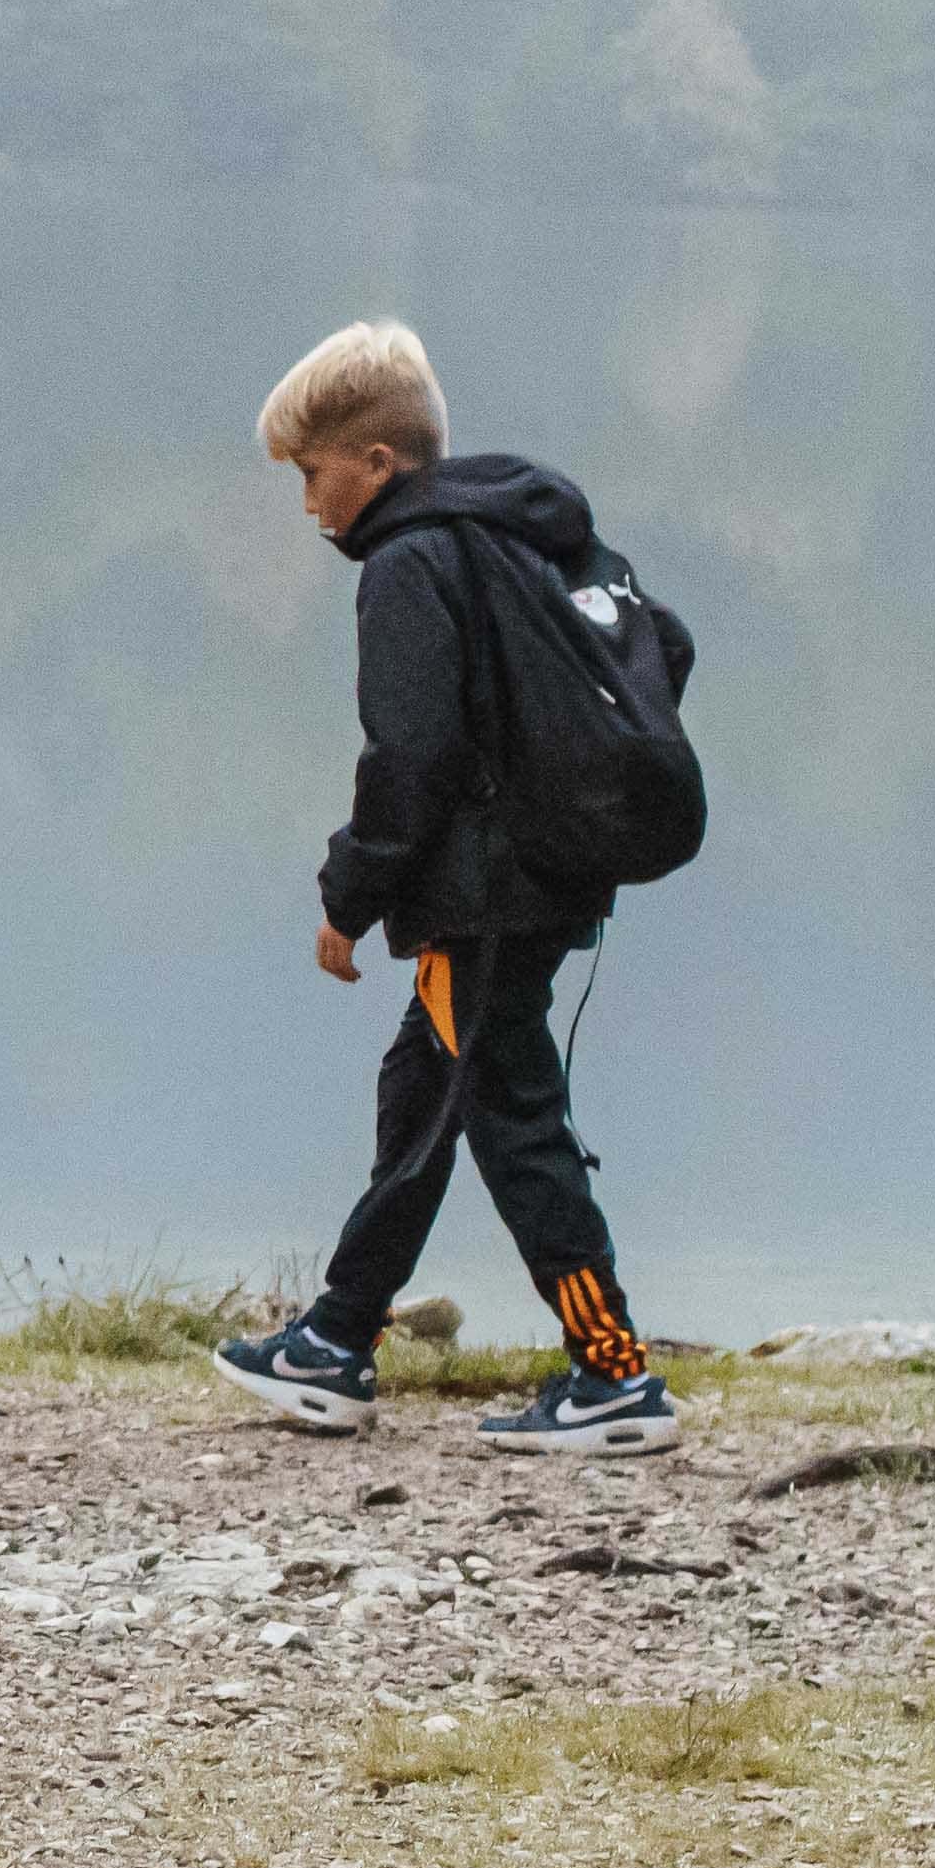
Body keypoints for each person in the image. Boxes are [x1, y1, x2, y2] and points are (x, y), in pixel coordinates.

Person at [213, 318, 689, 1456]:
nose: (307, 503)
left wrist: (348, 897)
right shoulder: (519, 536)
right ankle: (336, 1341)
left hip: (485, 901)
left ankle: (613, 1372)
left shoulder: (409, 563)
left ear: (377, 464)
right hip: (542, 881)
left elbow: (409, 759)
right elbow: (663, 646)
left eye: (313, 473)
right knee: (423, 1098)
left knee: (512, 1120)